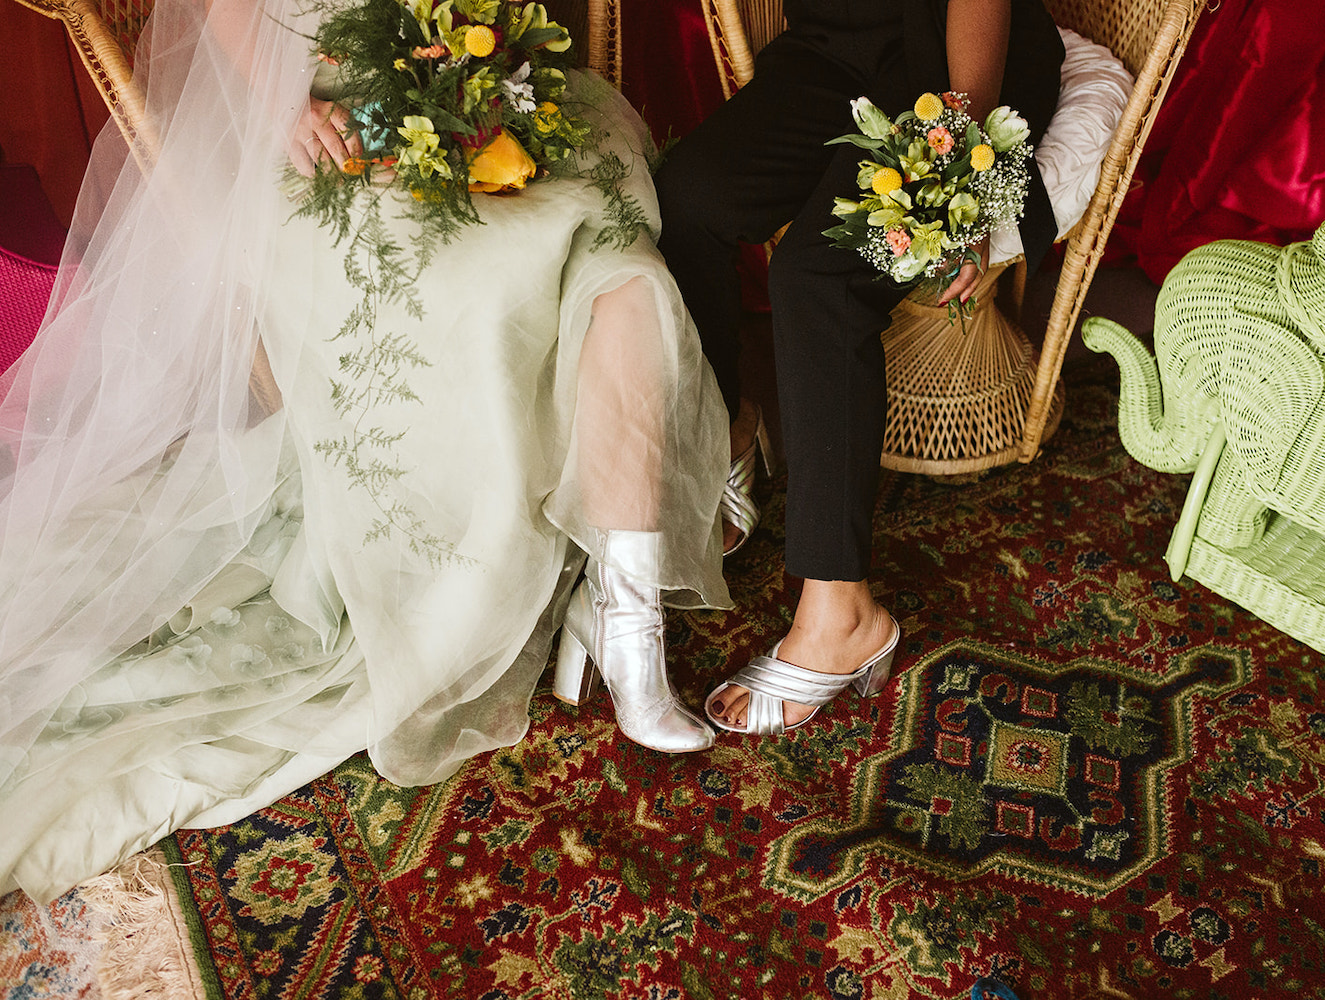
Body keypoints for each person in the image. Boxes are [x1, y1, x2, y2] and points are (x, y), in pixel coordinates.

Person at [0, 0, 729, 902]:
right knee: (487, 286)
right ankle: (539, 576)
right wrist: (282, 111)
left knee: (628, 283)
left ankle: (626, 629)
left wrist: (482, 65)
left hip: (476, 91)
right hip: (333, 136)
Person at [654, 0, 1064, 734]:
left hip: (957, 68)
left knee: (820, 277)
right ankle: (731, 430)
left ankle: (844, 612)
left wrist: (961, 171)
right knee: (689, 197)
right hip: (834, 47)